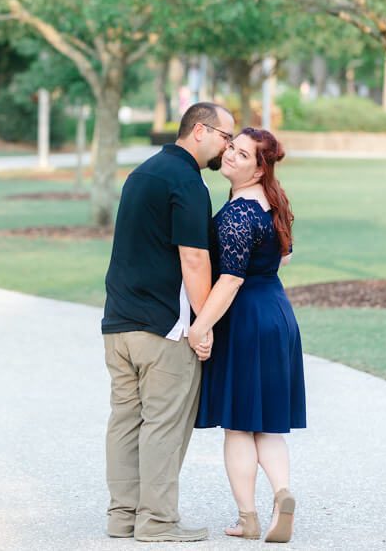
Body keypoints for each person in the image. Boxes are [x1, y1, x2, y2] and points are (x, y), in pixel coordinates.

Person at [101, 101, 235, 542]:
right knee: (163, 423)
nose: (227, 147)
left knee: (125, 420)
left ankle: (123, 516)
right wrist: (204, 326)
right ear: (199, 131)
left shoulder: (142, 173)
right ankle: (157, 521)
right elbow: (195, 260)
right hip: (165, 327)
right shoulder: (188, 183)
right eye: (224, 137)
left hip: (118, 324)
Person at [189, 128, 306, 543]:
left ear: (259, 170)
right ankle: (282, 494)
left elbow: (230, 281)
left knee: (238, 426)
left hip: (246, 318)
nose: (231, 156)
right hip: (277, 312)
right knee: (268, 426)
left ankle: (249, 519)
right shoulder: (271, 202)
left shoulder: (239, 213)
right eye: (232, 148)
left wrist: (199, 328)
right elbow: (285, 255)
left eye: (242, 154)